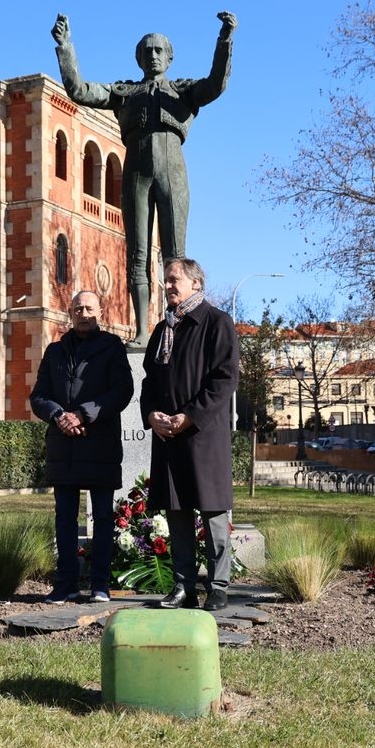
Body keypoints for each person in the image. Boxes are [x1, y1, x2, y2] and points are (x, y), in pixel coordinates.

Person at [51, 12, 236, 348]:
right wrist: (65, 47)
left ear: (169, 57)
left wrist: (225, 39)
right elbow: (79, 90)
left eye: (158, 50)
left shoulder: (184, 91)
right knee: (136, 254)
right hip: (135, 170)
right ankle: (140, 330)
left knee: (175, 256)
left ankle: (176, 324)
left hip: (172, 171)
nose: (152, 55)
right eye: (146, 51)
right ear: (139, 58)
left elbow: (216, 83)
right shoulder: (125, 92)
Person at [141, 258, 239, 611]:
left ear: (196, 283)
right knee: (177, 513)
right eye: (165, 280)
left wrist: (189, 416)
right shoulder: (161, 330)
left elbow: (224, 379)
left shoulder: (216, 322)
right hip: (168, 437)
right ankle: (184, 587)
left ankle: (218, 587)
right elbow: (150, 381)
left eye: (174, 279)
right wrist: (150, 414)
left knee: (213, 514)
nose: (167, 285)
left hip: (202, 437)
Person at [30, 290, 134, 604]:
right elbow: (38, 396)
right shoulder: (55, 351)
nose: (83, 313)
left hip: (99, 445)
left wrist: (84, 414)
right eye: (77, 308)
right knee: (64, 519)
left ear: (99, 311)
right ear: (70, 313)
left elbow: (122, 391)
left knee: (102, 518)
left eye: (89, 308)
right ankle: (65, 585)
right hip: (64, 449)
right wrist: (58, 415)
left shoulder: (112, 347)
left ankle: (100, 585)